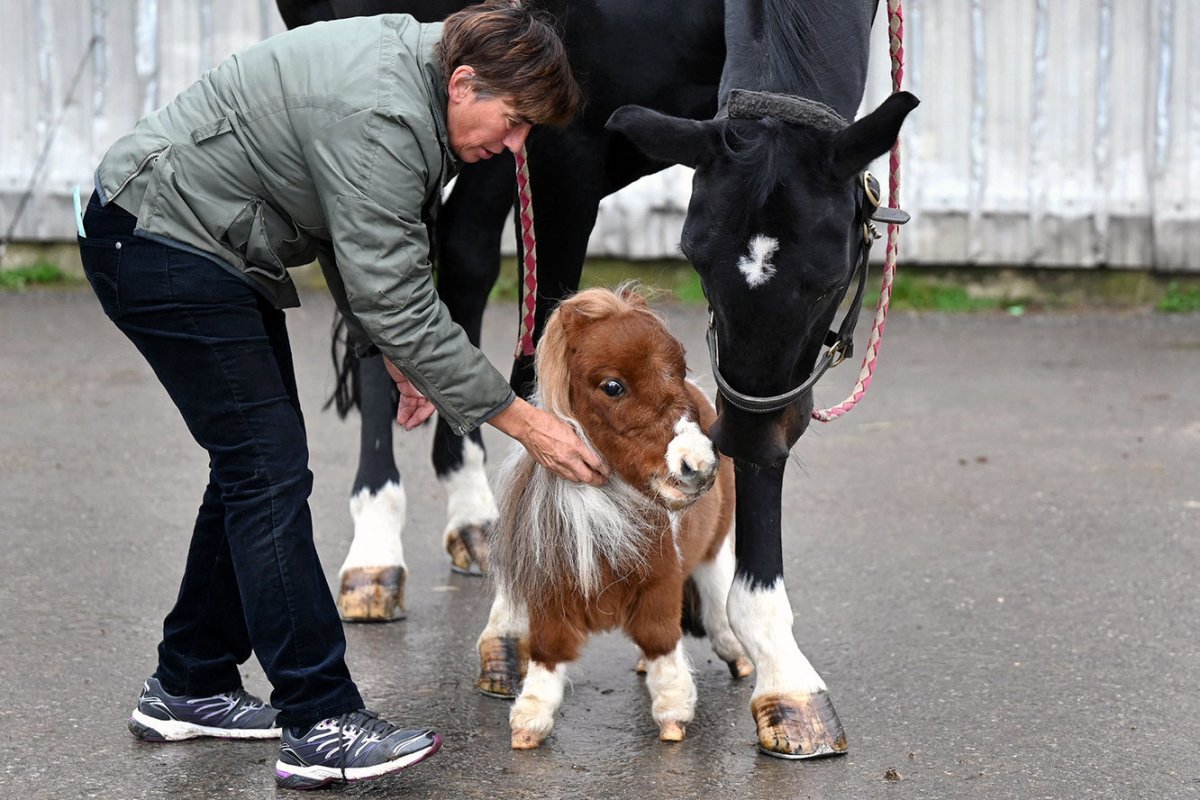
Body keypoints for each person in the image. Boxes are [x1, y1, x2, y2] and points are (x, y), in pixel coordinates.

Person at [76, 1, 603, 790]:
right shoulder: (386, 111)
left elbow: (358, 233)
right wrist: (525, 422)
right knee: (266, 472)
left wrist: (396, 354)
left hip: (195, 240)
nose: (516, 144)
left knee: (254, 469)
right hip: (161, 239)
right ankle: (320, 719)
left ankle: (191, 680)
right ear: (465, 82)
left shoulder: (415, 80)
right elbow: (394, 289)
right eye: (516, 119)